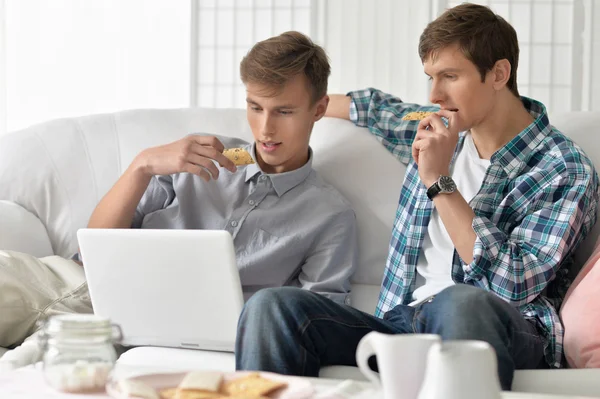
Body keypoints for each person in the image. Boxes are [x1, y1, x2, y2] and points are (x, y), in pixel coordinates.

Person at [235, 4, 599, 390]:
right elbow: (374, 109)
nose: (435, 94)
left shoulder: (563, 168)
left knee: (460, 301)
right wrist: (299, 109)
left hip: (498, 324)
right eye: (430, 77)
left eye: (450, 76)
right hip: (400, 323)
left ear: (499, 74)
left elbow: (512, 284)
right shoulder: (437, 127)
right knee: (272, 308)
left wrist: (440, 182)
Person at [0, 31, 358, 365]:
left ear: (319, 109)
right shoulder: (195, 155)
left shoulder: (330, 215)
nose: (265, 128)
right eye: (255, 107)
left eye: (284, 111)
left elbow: (317, 323)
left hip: (181, 336)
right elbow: (94, 244)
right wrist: (142, 167)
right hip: (86, 289)